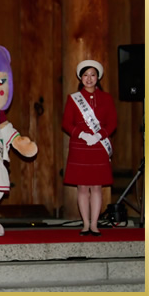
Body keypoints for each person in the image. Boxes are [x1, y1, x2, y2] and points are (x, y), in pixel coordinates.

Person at [62, 59, 117, 236]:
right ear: (80, 78)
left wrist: (99, 135)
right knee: (82, 187)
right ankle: (85, 224)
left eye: (93, 75)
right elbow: (66, 123)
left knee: (96, 186)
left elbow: (113, 122)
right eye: (85, 75)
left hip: (99, 146)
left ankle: (95, 224)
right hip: (80, 146)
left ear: (98, 77)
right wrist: (82, 134)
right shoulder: (73, 99)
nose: (89, 78)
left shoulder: (106, 98)